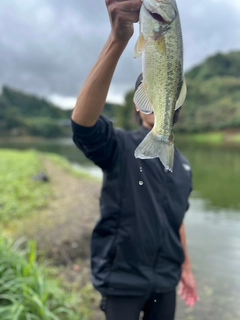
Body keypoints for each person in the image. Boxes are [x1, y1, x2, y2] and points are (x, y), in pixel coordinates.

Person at [71, 0, 199, 319]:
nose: (156, 104)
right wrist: (117, 39)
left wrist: (187, 268)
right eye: (148, 96)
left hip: (165, 281)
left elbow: (176, 218)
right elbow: (83, 125)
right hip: (122, 281)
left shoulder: (182, 164)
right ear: (138, 105)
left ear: (176, 104)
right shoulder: (119, 146)